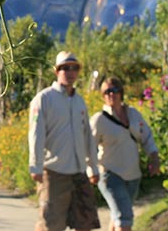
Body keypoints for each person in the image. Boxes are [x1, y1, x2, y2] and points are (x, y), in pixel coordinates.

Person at [29, 51, 101, 231]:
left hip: (79, 172)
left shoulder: (79, 102)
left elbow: (87, 137)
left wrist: (93, 166)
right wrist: (35, 166)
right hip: (55, 173)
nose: (70, 72)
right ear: (56, 71)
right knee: (51, 225)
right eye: (65, 68)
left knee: (85, 224)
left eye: (74, 68)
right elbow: (36, 135)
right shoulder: (44, 99)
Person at [90, 77, 160, 231]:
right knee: (124, 217)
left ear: (121, 93)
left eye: (113, 90)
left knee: (118, 216)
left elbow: (146, 137)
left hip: (133, 175)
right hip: (110, 175)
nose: (110, 94)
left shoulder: (134, 114)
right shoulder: (99, 120)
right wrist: (91, 171)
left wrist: (154, 157)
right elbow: (88, 147)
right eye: (106, 92)